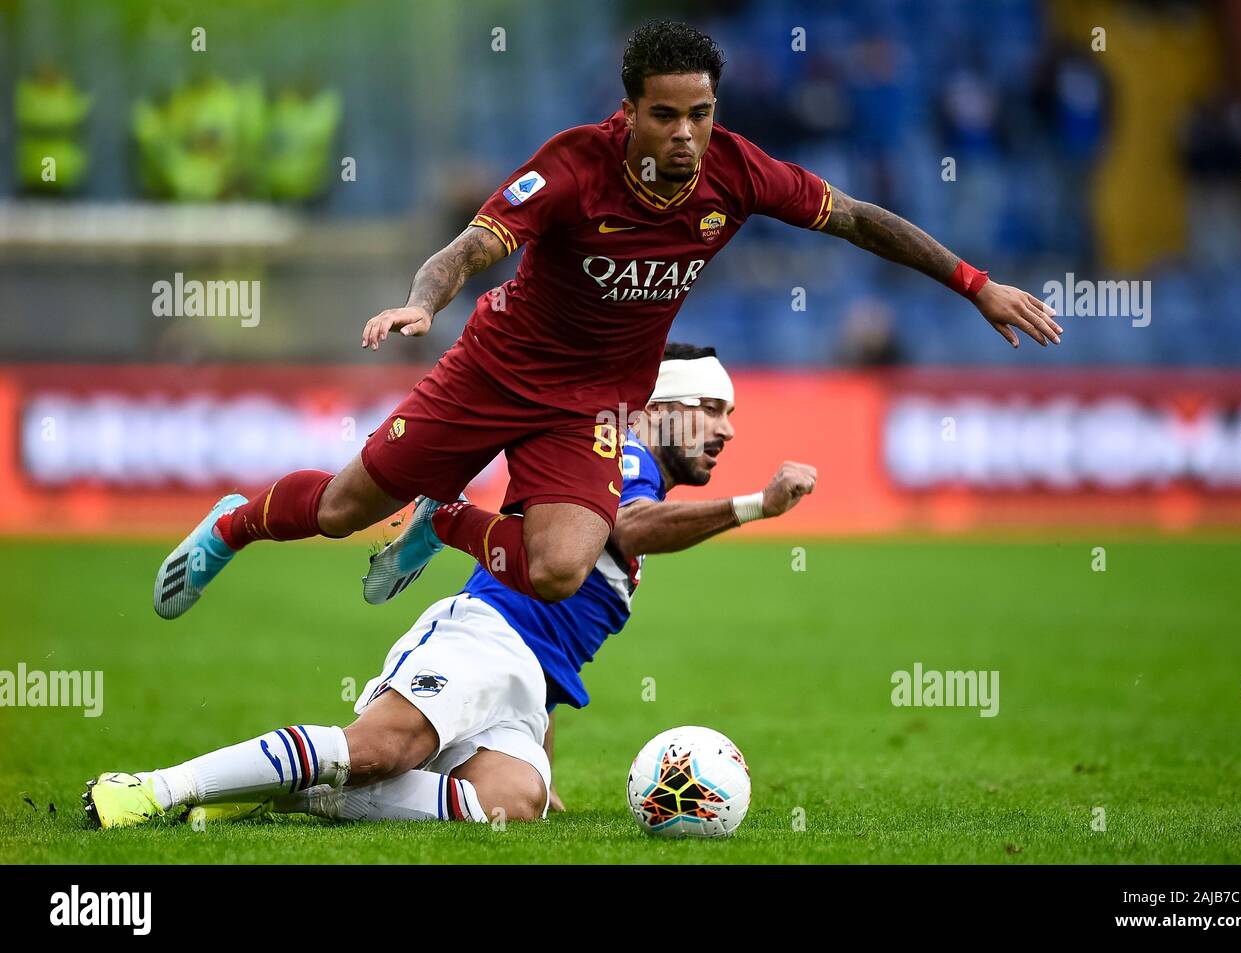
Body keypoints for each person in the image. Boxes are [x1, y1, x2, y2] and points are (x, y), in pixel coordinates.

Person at [152, 20, 1059, 622]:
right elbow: (471, 246)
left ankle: (452, 518)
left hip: (591, 400)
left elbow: (860, 218)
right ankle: (233, 526)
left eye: (700, 115)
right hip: (493, 370)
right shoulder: (573, 167)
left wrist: (975, 284)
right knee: (348, 506)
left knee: (561, 569)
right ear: (628, 111)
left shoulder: (739, 173)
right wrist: (422, 304)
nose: (684, 135)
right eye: (665, 115)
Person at [94, 344, 816, 827]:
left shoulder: (629, 464)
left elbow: (559, 624)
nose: (725, 431)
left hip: (524, 677)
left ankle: (278, 790)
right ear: (662, 409)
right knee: (380, 750)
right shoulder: (622, 455)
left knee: (513, 803)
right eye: (713, 411)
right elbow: (630, 527)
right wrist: (754, 506)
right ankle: (158, 788)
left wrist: (545, 750)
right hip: (482, 637)